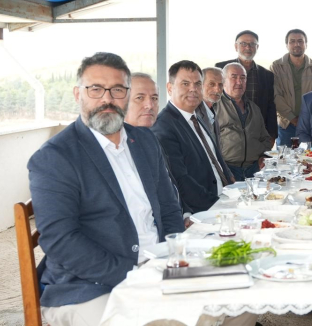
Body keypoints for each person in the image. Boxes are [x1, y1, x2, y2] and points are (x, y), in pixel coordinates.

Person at [28, 53, 184, 325]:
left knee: (231, 300)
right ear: (78, 94)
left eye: (117, 90)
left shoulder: (145, 141)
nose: (107, 99)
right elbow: (60, 240)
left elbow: (169, 209)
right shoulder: (55, 157)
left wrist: (172, 256)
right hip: (89, 286)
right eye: (96, 89)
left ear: (127, 95)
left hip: (158, 266)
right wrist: (132, 273)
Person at [152, 60, 234, 224]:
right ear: (170, 88)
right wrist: (219, 205)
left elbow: (215, 157)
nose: (193, 89)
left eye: (197, 84)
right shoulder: (164, 126)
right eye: (185, 84)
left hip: (226, 200)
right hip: (205, 211)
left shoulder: (196, 117)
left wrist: (234, 189)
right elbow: (181, 180)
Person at [216, 30, 277, 142]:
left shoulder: (266, 75)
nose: (248, 47)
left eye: (252, 44)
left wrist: (272, 135)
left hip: (257, 132)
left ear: (257, 47)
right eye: (243, 43)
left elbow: (270, 106)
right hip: (227, 133)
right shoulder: (221, 68)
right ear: (236, 46)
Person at [215, 63, 271, 180]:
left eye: (243, 78)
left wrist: (264, 156)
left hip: (254, 169)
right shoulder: (215, 107)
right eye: (234, 77)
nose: (239, 82)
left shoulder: (254, 108)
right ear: (223, 81)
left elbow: (265, 138)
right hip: (227, 170)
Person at [270, 29, 312, 146]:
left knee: (311, 156)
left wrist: (306, 118)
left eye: (300, 41)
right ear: (287, 45)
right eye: (292, 41)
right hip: (286, 124)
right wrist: (292, 118)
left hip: (310, 125)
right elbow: (275, 95)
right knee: (284, 156)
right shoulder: (277, 67)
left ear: (306, 44)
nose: (297, 44)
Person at [196, 66, 223, 143]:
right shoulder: (193, 112)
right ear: (200, 85)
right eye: (212, 84)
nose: (217, 89)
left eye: (220, 85)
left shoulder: (212, 110)